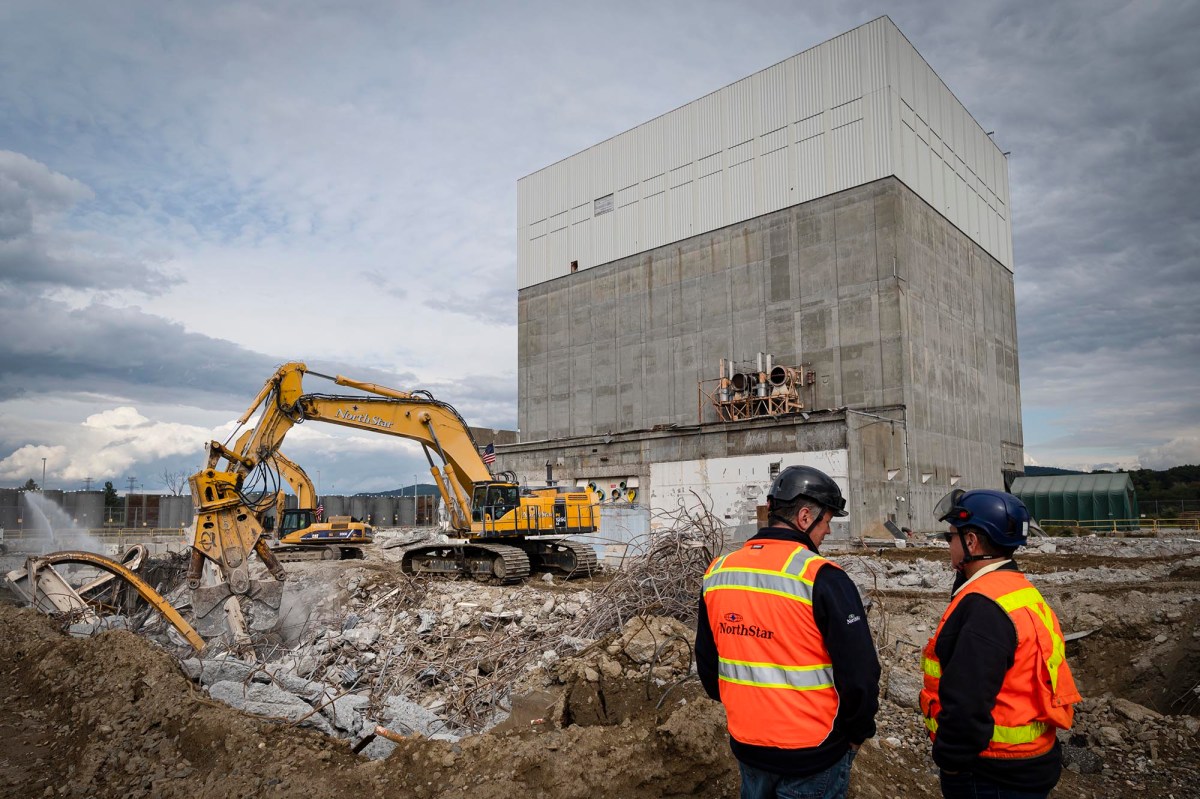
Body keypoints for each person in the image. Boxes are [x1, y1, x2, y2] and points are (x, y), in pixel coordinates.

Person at [695, 465, 880, 799]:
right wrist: (858, 731)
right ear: (806, 517)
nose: (828, 532)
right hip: (813, 753)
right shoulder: (821, 576)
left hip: (748, 746)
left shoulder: (718, 572)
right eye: (827, 522)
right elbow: (860, 675)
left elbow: (710, 668)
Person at [920, 489, 1082, 799]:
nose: (947, 544)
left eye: (950, 536)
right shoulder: (1017, 590)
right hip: (1029, 760)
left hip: (993, 772)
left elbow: (966, 702)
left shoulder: (983, 607)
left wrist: (951, 765)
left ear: (971, 542)